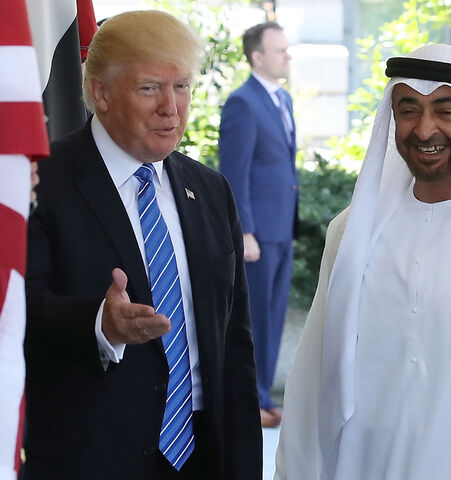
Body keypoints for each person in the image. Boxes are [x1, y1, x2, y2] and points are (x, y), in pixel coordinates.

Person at [24, 10, 262, 480]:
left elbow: (234, 342)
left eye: (183, 87)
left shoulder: (210, 189)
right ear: (101, 93)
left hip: (201, 457)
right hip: (90, 459)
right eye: (150, 88)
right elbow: (20, 312)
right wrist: (99, 324)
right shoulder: (43, 182)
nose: (171, 108)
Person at [275, 43, 451, 479]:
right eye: (409, 110)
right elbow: (314, 377)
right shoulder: (352, 233)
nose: (425, 130)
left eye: (446, 111)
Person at [219, 22, 298, 428]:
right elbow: (234, 172)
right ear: (257, 57)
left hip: (282, 230)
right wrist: (244, 230)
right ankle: (251, 398)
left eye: (287, 49)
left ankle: (263, 395)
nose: (287, 55)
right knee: (255, 320)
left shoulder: (282, 98)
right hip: (257, 234)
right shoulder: (242, 103)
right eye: (280, 50)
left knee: (274, 317)